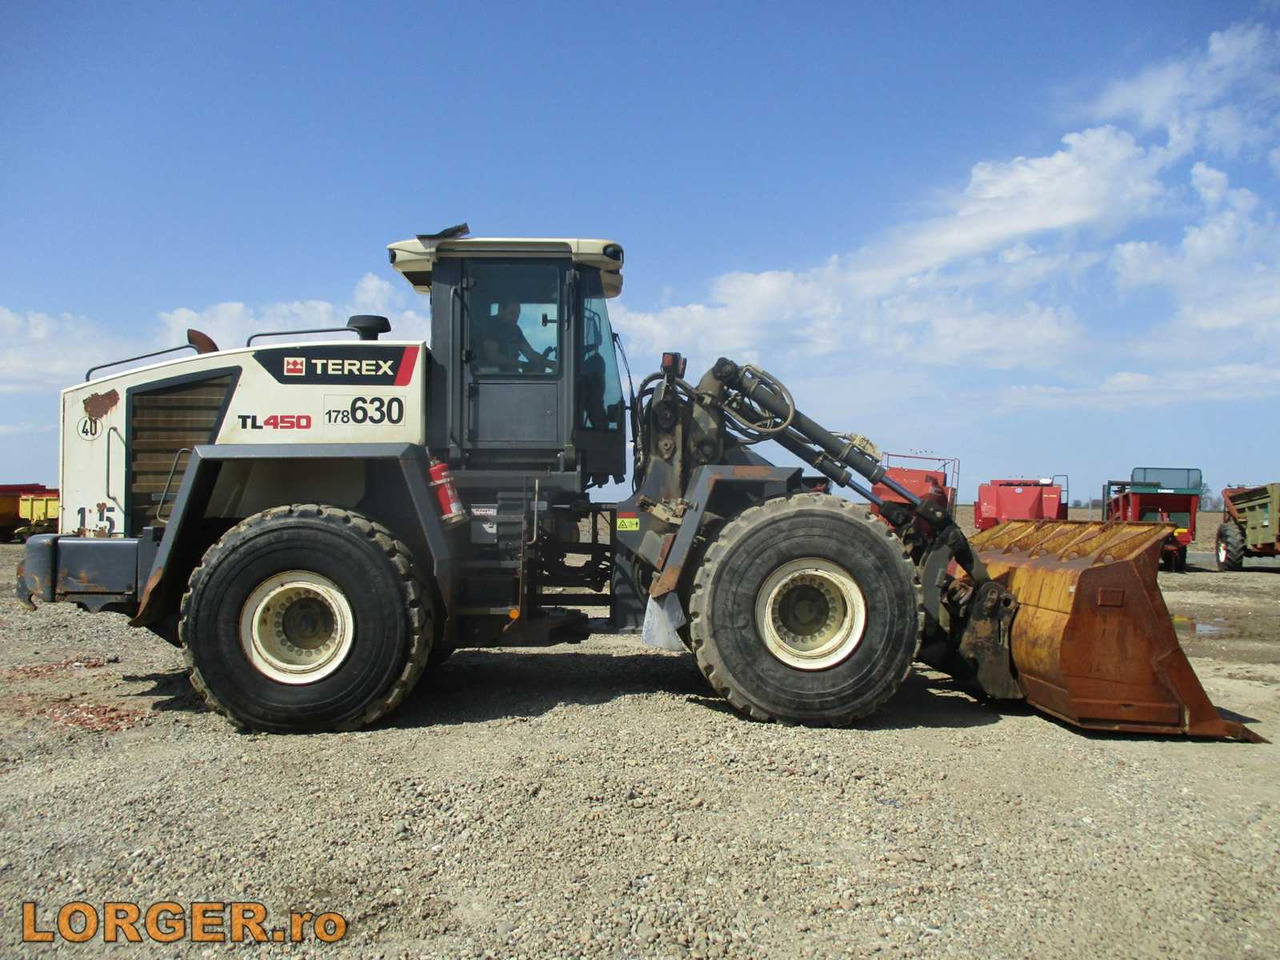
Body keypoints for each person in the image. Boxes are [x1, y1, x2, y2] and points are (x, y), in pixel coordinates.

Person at [480, 301, 555, 373]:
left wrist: (550, 363)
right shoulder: (491, 325)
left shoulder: (515, 330)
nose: (515, 318)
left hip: (509, 372)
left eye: (518, 314)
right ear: (501, 310)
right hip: (490, 373)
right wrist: (520, 364)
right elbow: (492, 357)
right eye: (511, 313)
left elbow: (530, 354)